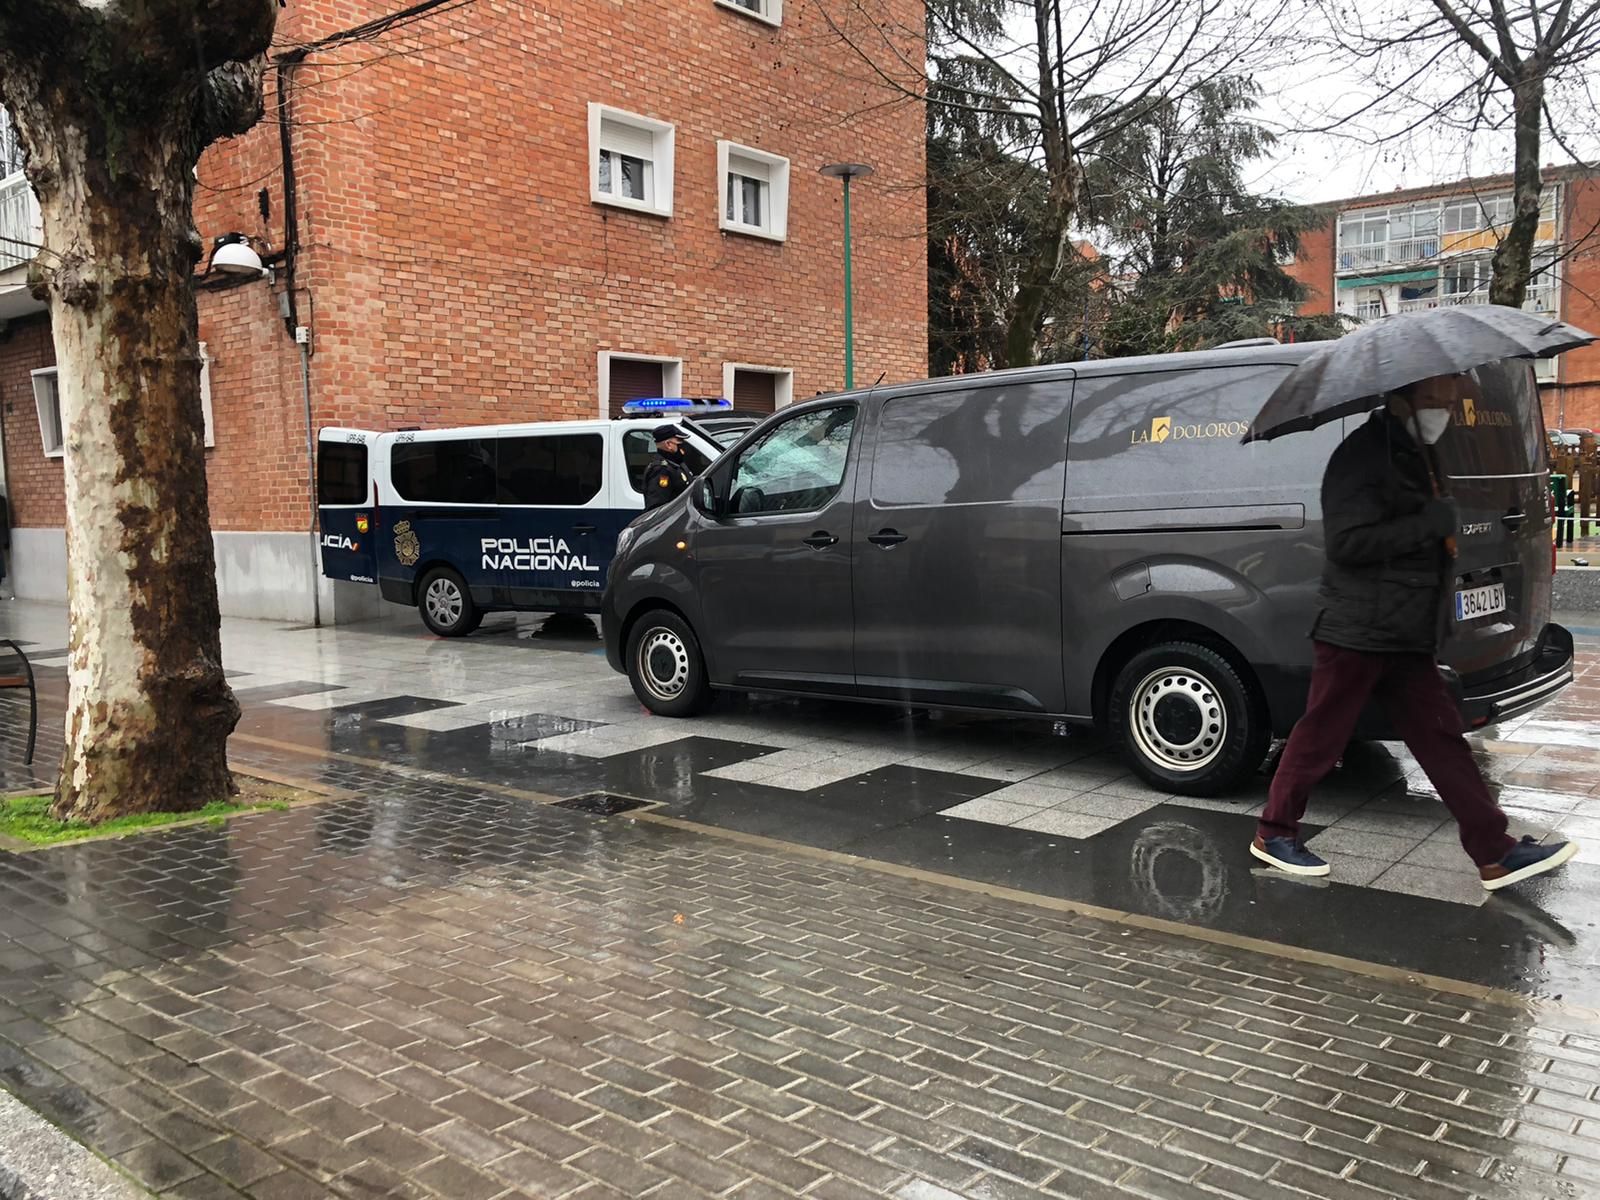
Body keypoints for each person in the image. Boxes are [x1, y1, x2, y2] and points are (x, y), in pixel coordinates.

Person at [1251, 375, 1578, 892]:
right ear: (1401, 398)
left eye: (1449, 400)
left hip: (1402, 631)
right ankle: (1274, 833)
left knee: (1442, 740)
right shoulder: (1361, 457)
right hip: (1358, 629)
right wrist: (1429, 521)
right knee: (1322, 734)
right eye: (1435, 400)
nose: (1444, 410)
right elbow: (1347, 543)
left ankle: (1495, 852)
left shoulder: (1413, 452)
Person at [642, 424, 694, 511]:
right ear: (668, 444)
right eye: (679, 441)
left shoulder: (676, 463)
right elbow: (657, 507)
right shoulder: (661, 470)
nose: (682, 444)